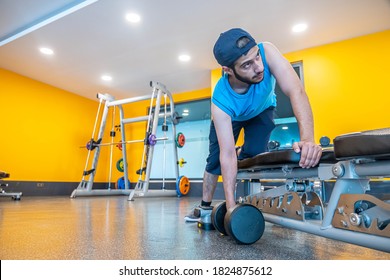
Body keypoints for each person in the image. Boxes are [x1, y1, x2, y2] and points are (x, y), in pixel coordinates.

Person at [185, 28, 322, 221]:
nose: (259, 67)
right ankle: (205, 206)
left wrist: (308, 140)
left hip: (262, 109)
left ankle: (241, 152)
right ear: (228, 70)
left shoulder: (268, 52)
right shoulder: (221, 100)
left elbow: (296, 91)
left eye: (256, 57)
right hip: (232, 116)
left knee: (255, 154)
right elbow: (226, 153)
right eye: (247, 65)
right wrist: (231, 207)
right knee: (216, 159)